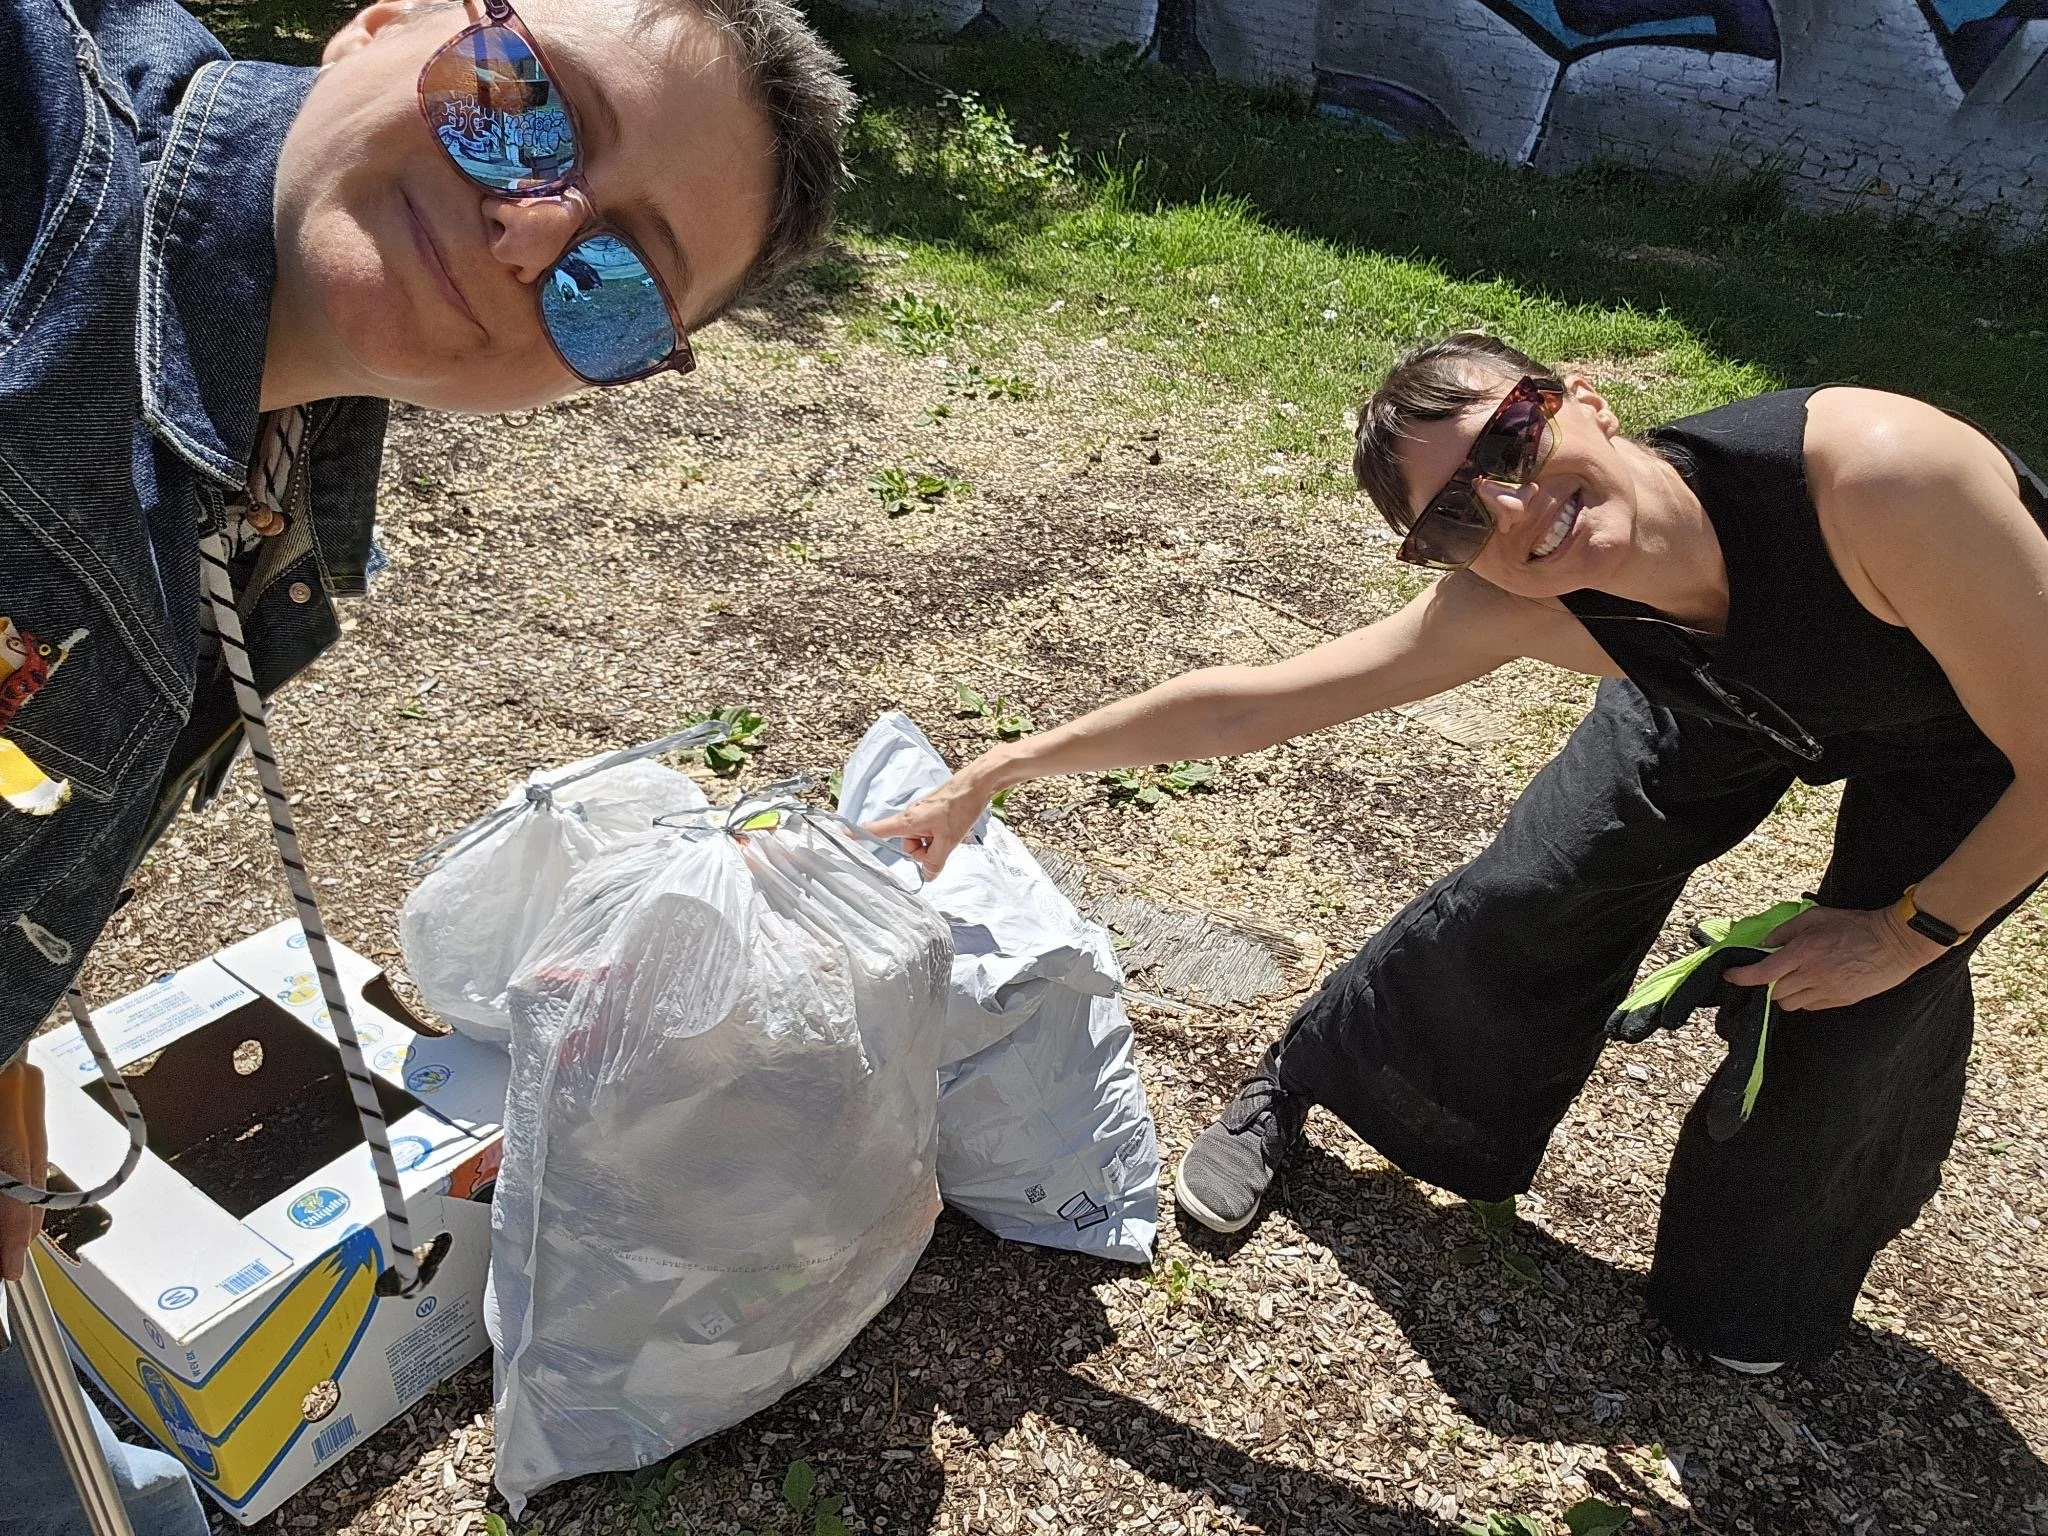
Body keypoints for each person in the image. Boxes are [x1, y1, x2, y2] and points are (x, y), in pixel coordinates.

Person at [0, 0, 852, 1526]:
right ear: (380, 25)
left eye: (616, 282)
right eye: (523, 105)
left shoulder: (273, 494)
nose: (533, 231)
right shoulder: (38, 146)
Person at [870, 332, 2048, 1372]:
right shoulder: (1531, 597)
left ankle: (1746, 1294)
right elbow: (1247, 705)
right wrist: (998, 768)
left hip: (1976, 722)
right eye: (1452, 521)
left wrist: (1908, 933)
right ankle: (1307, 1073)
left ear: (1582, 398)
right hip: (1711, 690)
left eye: (1512, 442)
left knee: (1852, 1007)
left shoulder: (1878, 478)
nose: (1513, 511)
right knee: (1538, 885)